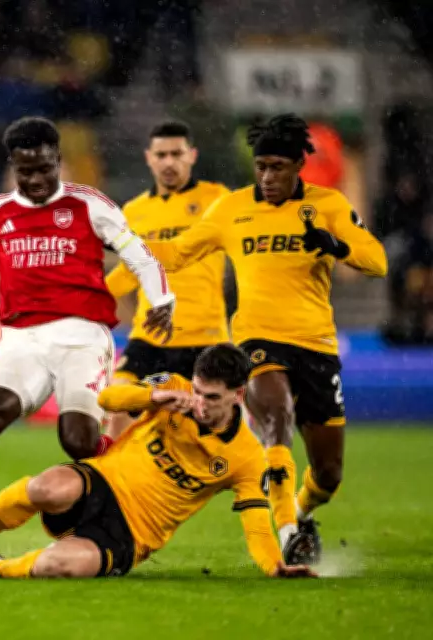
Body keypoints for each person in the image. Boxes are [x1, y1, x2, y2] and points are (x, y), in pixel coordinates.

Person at [0, 116, 176, 547]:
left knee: (78, 441)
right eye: (26, 171)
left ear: (58, 161)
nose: (36, 180)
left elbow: (137, 253)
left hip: (82, 336)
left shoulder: (89, 204)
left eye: (45, 169)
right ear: (13, 166)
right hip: (21, 338)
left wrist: (160, 298)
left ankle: (141, 472)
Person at [136, 114, 388, 564]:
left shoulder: (328, 204)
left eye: (278, 167)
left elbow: (377, 262)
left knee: (328, 474)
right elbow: (177, 253)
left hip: (315, 344)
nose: (268, 177)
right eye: (261, 167)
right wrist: (120, 242)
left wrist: (335, 246)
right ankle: (288, 533)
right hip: (257, 339)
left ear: (298, 167)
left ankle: (302, 513)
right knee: (276, 413)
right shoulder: (231, 209)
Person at [0, 343, 316, 580]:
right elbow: (109, 398)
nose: (200, 404)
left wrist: (274, 567)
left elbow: (256, 525)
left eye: (213, 398)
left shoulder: (246, 457)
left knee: (59, 566)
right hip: (103, 479)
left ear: (238, 396)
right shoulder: (173, 388)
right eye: (198, 391)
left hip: (133, 534)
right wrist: (153, 397)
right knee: (46, 487)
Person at [105, 120, 230, 439]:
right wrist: (88, 299)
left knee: (219, 432)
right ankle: (109, 470)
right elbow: (129, 273)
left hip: (204, 336)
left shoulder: (218, 200)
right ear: (149, 158)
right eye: (161, 155)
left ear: (192, 155)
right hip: (150, 338)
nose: (169, 162)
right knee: (117, 408)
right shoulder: (133, 211)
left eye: (177, 153)